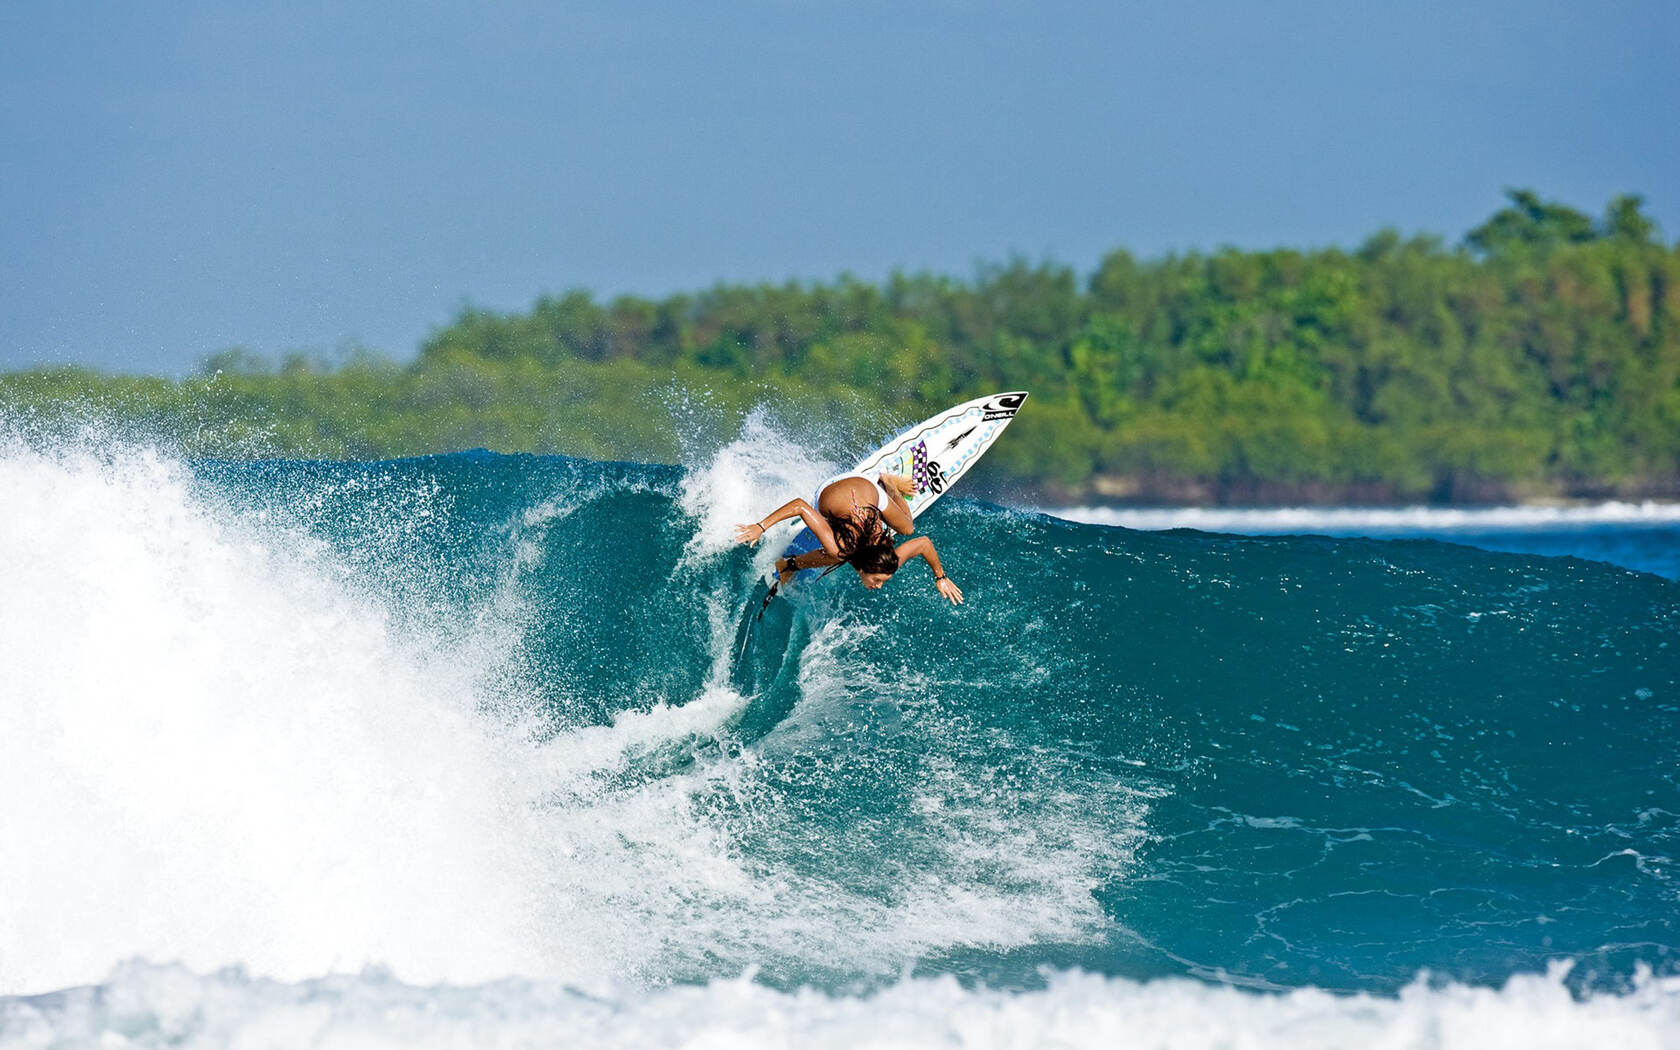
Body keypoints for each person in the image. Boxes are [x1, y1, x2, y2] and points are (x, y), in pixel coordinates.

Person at [735, 471, 965, 604]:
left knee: (908, 530)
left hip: (868, 489)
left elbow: (923, 544)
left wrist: (940, 577)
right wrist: (760, 526)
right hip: (830, 488)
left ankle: (889, 484)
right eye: (878, 580)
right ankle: (789, 565)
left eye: (881, 581)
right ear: (864, 568)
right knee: (838, 554)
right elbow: (800, 506)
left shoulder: (884, 559)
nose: (879, 585)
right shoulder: (843, 547)